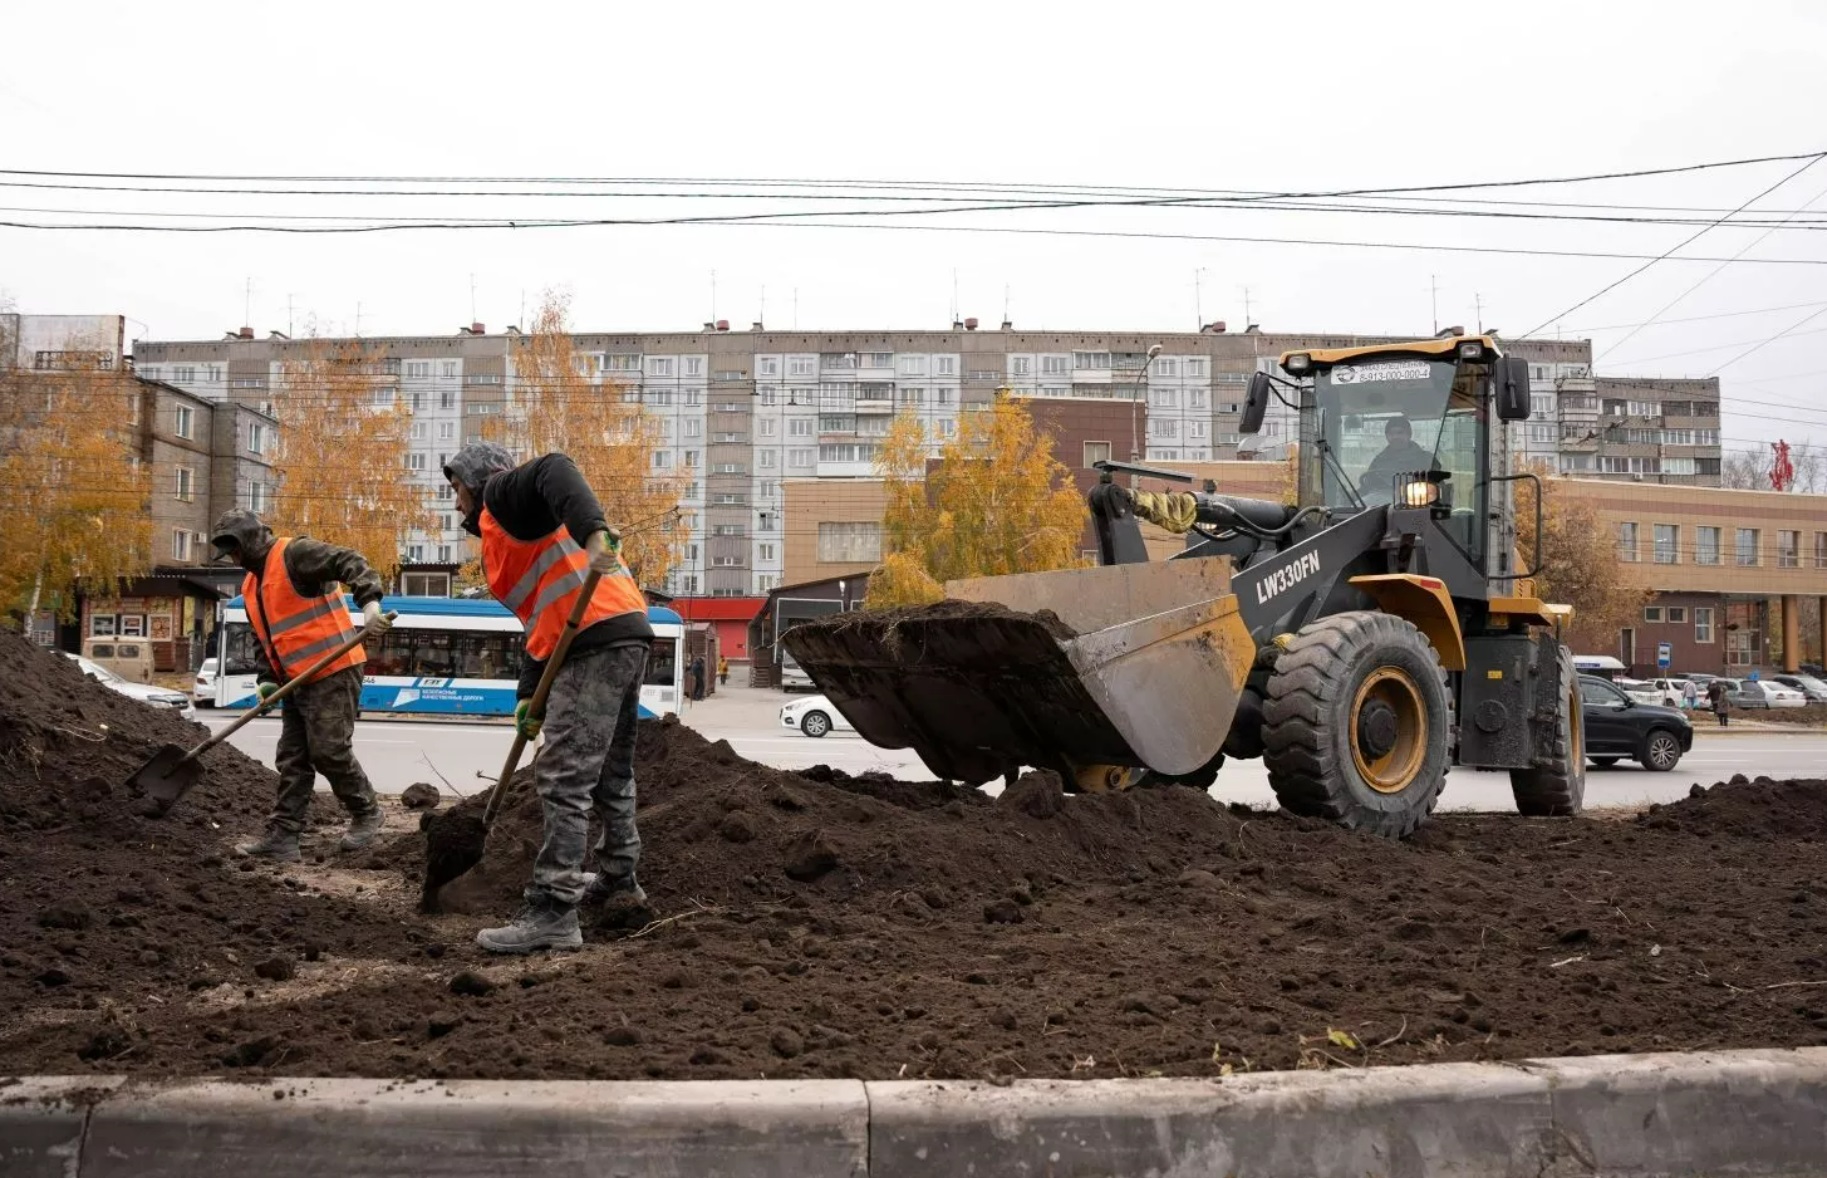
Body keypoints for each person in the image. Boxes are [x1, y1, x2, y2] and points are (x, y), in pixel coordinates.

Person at [443, 442, 653, 955]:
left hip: (594, 639)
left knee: (563, 778)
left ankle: (554, 909)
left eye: (456, 490)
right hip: (621, 632)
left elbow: (557, 465)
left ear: (476, 480)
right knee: (610, 773)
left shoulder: (502, 495)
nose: (456, 505)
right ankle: (620, 881)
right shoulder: (510, 530)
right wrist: (526, 694)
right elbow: (542, 616)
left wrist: (594, 533)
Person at [209, 509, 392, 862]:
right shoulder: (250, 586)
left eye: (235, 549)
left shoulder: (295, 555)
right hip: (295, 680)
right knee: (292, 757)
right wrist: (265, 681)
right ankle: (283, 836)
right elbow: (266, 639)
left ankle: (367, 812)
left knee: (328, 750)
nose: (235, 559)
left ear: (249, 540)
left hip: (334, 669)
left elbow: (350, 560)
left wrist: (370, 603)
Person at [1358, 415, 1441, 499]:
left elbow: (1437, 488)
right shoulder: (1379, 461)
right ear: (1386, 436)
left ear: (1409, 434)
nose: (1395, 437)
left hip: (1414, 504)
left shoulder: (1426, 459)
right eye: (1391, 433)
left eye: (1400, 433)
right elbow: (1367, 486)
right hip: (1381, 502)